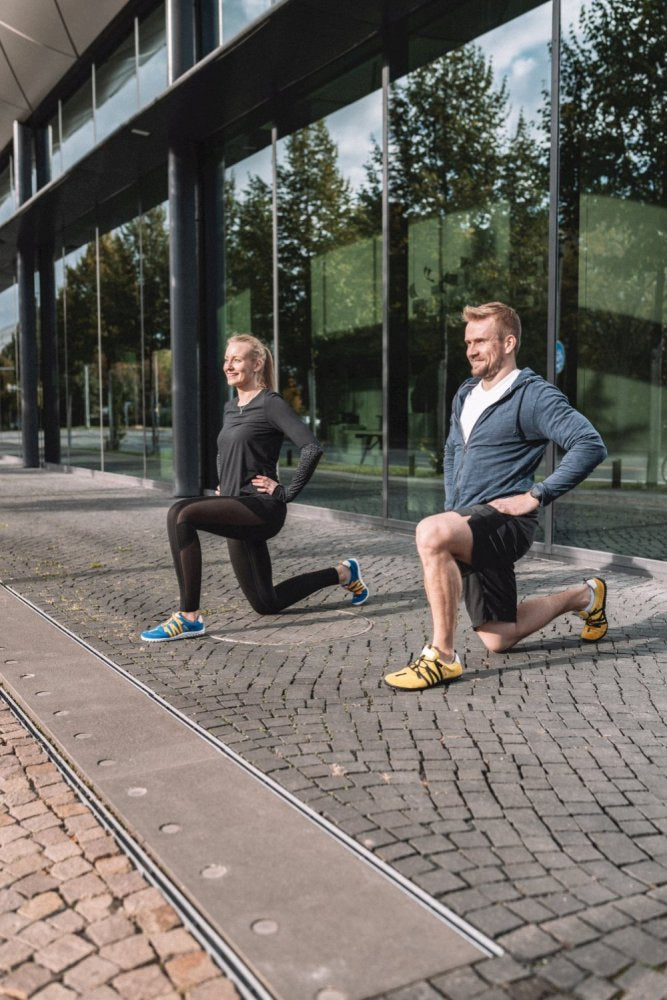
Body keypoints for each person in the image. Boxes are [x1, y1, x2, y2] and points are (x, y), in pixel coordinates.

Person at [384, 301, 608, 690]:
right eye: (468, 341)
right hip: (470, 522)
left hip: (506, 522)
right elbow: (453, 449)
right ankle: (584, 597)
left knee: (430, 533)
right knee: (498, 637)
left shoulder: (532, 395)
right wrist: (453, 511)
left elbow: (590, 444)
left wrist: (536, 495)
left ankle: (442, 657)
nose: (471, 349)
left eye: (481, 340)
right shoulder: (466, 393)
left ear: (508, 342)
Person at [141, 334, 368, 642]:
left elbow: (311, 447)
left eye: (236, 359)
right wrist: (224, 480)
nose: (228, 366)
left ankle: (188, 617)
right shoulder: (231, 407)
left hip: (262, 508)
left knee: (180, 514)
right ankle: (344, 573)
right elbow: (225, 450)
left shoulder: (270, 404)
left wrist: (286, 492)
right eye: (226, 359)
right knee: (267, 603)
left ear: (256, 363)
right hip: (237, 507)